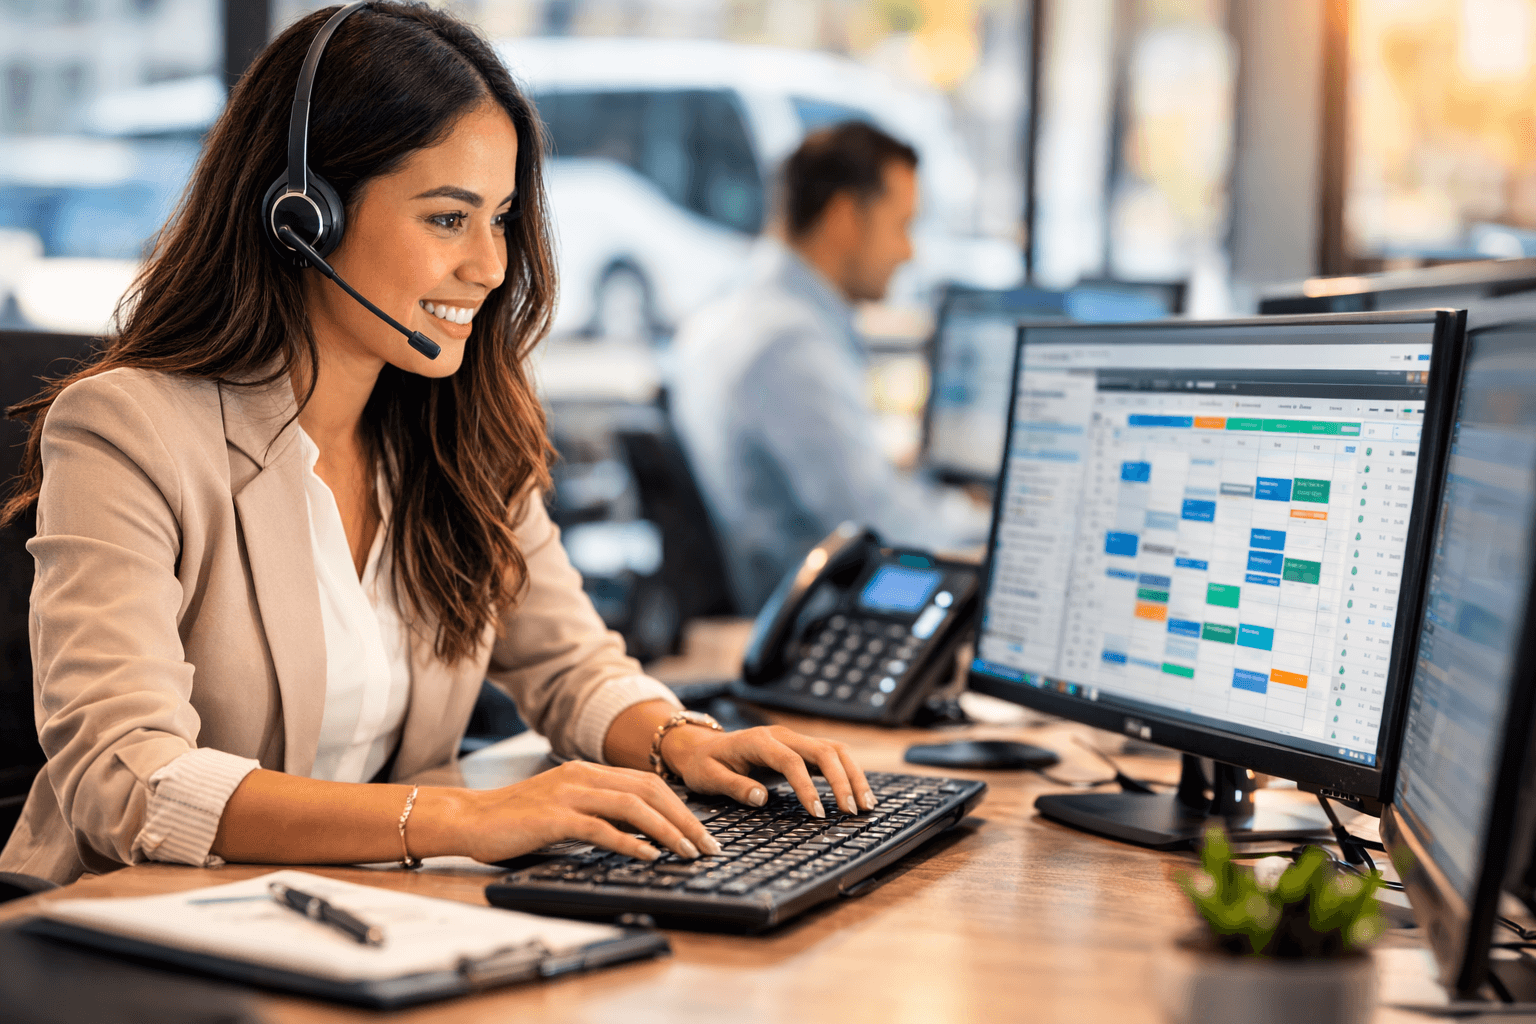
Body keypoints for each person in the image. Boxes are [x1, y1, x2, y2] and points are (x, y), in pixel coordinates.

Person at [0, 2, 873, 887]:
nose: (492, 267)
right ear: (303, 216)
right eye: (448, 219)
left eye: (499, 217)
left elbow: (568, 662)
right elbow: (127, 779)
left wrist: (684, 741)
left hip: (361, 913)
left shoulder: (459, 432)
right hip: (127, 933)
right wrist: (463, 818)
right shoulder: (130, 432)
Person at [669, 122, 988, 614]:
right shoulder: (789, 344)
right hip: (815, 616)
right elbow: (877, 522)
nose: (910, 252)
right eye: (902, 226)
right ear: (844, 217)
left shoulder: (734, 309)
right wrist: (1000, 519)